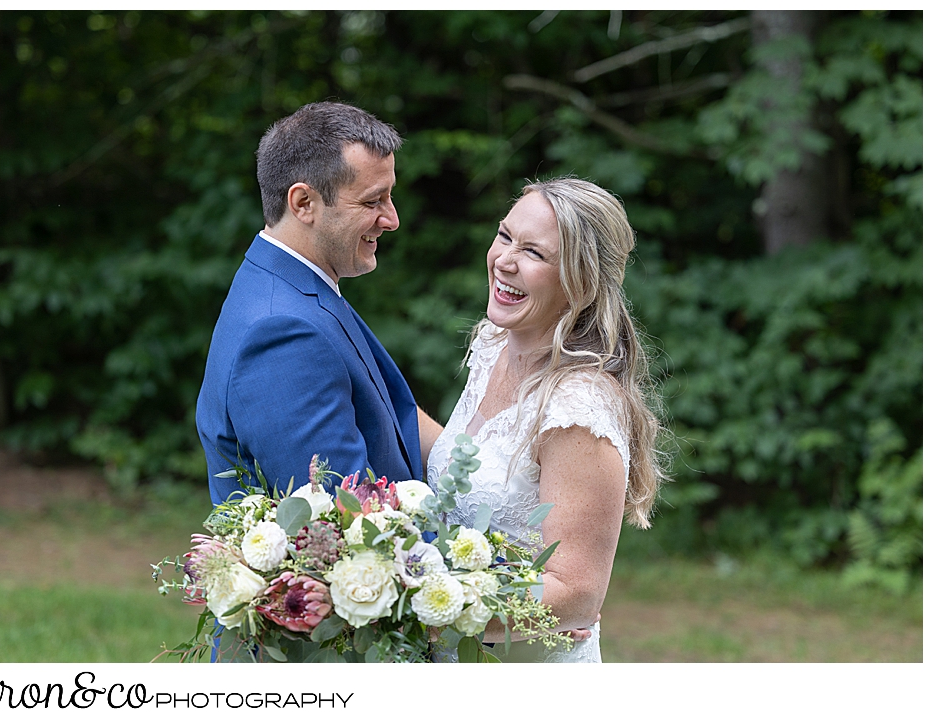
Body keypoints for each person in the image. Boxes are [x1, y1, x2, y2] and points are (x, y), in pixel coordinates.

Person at [427, 177, 667, 663]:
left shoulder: (577, 407)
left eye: (533, 253)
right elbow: (465, 460)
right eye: (504, 236)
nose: (504, 260)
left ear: (581, 281)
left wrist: (412, 614)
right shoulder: (493, 344)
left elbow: (575, 594)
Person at [195, 101, 442, 508]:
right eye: (372, 201)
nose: (392, 219)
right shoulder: (282, 333)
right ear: (303, 203)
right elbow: (347, 523)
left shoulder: (297, 287)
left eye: (389, 197)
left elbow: (392, 416)